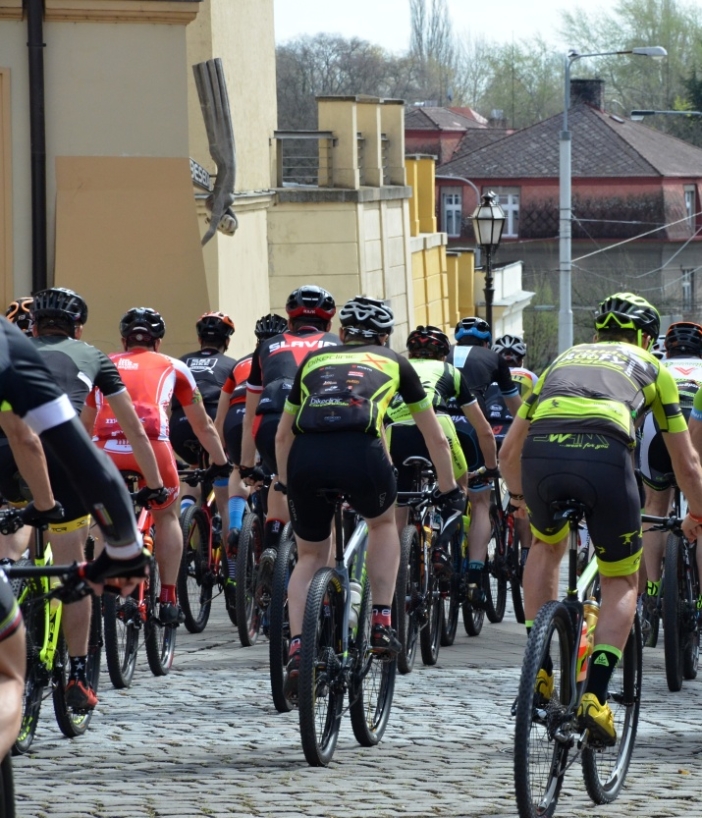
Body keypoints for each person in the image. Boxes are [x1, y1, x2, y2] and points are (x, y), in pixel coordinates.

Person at [499, 292, 702, 745]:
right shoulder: (654, 367)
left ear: (597, 334)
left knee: (547, 546)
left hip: (542, 459)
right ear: (646, 338)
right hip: (605, 461)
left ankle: (540, 671)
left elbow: (508, 451)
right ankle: (594, 696)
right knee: (621, 581)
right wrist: (699, 514)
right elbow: (686, 465)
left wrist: (517, 499)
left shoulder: (562, 361)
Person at [275, 296, 465, 696]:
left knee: (309, 555)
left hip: (306, 458)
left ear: (342, 333)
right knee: (382, 524)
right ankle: (381, 618)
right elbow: (435, 437)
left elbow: (282, 434)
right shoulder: (394, 361)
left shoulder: (313, 362)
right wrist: (449, 491)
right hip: (362, 455)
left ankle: (296, 648)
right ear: (383, 337)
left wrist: (286, 482)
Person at [0, 316, 156, 748]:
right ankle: (78, 671)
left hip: (8, 471)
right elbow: (49, 441)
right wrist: (123, 547)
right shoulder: (13, 346)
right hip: (49, 466)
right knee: (71, 568)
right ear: (80, 327)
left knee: (11, 547)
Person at [84, 307, 230, 629]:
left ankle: (97, 598)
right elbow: (203, 426)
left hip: (104, 447)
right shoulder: (174, 366)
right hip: (151, 445)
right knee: (166, 514)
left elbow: (86, 423)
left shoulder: (102, 364)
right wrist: (221, 462)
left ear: (124, 341)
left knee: (101, 514)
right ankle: (167, 597)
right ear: (158, 342)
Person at [239, 287, 339, 595]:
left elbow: (249, 412)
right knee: (330, 497)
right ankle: (328, 586)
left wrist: (245, 464)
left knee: (278, 479)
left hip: (270, 421)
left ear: (289, 320)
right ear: (329, 323)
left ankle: (272, 542)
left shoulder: (267, 346)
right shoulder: (338, 344)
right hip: (318, 420)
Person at [385, 325, 497, 575]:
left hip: (397, 433)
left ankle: (397, 570)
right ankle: (441, 548)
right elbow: (484, 429)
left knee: (399, 505)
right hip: (438, 430)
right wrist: (490, 467)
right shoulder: (450, 372)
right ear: (443, 355)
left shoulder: (396, 368)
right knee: (458, 490)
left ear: (411, 354)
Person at [213, 313, 288, 607]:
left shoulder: (241, 363)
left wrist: (220, 454)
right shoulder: (284, 358)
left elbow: (219, 416)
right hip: (271, 417)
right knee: (276, 475)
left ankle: (233, 525)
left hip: (235, 419)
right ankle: (274, 535)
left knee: (237, 468)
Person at [447, 317, 522, 606]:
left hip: (433, 427)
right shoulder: (494, 359)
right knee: (480, 503)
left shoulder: (443, 355)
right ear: (486, 343)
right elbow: (517, 409)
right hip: (469, 430)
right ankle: (474, 578)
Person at [640, 322, 702, 622]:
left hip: (656, 433)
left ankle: (652, 590)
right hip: (697, 430)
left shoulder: (654, 366)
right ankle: (701, 600)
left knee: (654, 506)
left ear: (667, 349)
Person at [170, 311, 236, 529]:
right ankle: (232, 549)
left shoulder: (181, 362)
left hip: (179, 426)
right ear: (226, 341)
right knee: (224, 475)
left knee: (194, 466)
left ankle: (184, 518)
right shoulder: (231, 365)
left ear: (200, 340)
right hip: (213, 422)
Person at [485, 333, 538, 569]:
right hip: (517, 436)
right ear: (521, 360)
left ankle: (475, 551)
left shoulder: (486, 377)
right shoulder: (532, 377)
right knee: (521, 500)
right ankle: (526, 554)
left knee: (480, 497)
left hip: (488, 434)